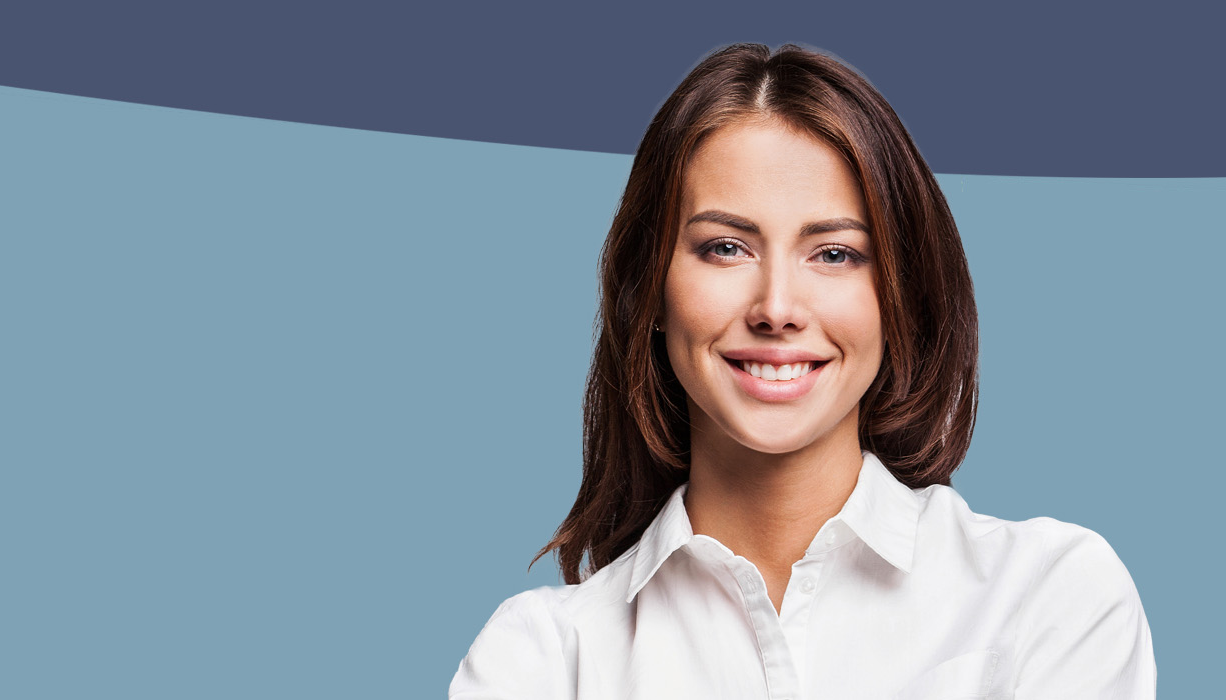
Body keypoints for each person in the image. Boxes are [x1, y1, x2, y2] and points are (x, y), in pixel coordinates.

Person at [449, 43, 1155, 700]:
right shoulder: (542, 659)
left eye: (834, 254)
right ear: (649, 290)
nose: (777, 308)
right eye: (725, 248)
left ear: (899, 294)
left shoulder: (1049, 595)